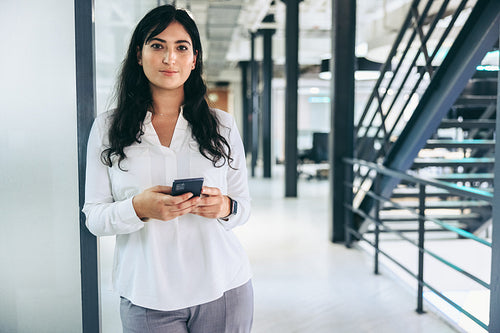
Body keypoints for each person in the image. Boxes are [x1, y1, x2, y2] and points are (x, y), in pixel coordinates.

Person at [83, 4, 253, 333]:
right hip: (148, 296)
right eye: (157, 45)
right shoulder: (108, 128)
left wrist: (223, 206)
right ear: (138, 54)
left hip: (223, 288)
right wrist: (137, 208)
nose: (169, 58)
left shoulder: (223, 125)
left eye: (181, 47)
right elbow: (95, 217)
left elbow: (243, 207)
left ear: (194, 58)